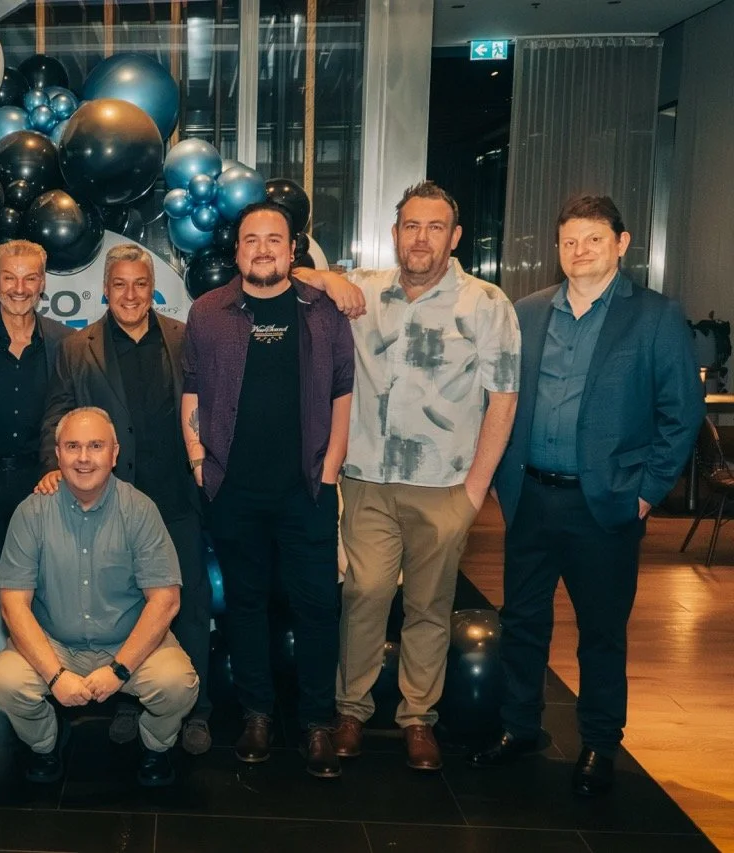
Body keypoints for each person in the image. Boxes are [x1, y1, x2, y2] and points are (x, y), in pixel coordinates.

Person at [468, 195, 703, 796]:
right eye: (569, 241)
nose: (579, 251)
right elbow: (499, 397)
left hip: (607, 505)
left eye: (593, 239)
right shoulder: (526, 313)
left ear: (621, 244)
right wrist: (500, 478)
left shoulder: (653, 316)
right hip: (530, 498)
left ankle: (599, 742)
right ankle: (519, 727)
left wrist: (647, 493)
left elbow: (681, 415)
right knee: (521, 624)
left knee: (600, 632)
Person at [319, 182, 521, 772]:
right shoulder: (365, 292)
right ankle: (351, 709)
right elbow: (293, 276)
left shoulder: (486, 304)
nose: (421, 238)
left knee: (430, 606)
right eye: (411, 226)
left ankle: (417, 719)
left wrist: (476, 490)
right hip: (366, 478)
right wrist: (329, 278)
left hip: (445, 485)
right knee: (364, 594)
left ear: (455, 237)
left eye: (435, 227)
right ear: (395, 233)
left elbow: (503, 398)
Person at [181, 201, 354, 778]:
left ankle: (316, 723)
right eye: (251, 239)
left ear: (291, 249)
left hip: (306, 489)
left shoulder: (324, 310)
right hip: (233, 491)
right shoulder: (207, 312)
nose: (262, 249)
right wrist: (198, 460)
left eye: (273, 239)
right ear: (237, 251)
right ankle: (257, 713)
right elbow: (191, 390)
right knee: (247, 605)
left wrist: (329, 474)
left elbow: (342, 394)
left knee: (317, 607)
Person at [37, 243, 213, 755]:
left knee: (189, 603)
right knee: (124, 607)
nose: (131, 294)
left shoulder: (184, 339)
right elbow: (57, 415)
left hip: (178, 500)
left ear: (151, 288)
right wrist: (53, 469)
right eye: (120, 284)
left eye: (140, 284)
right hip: (111, 507)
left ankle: (195, 711)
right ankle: (131, 703)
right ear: (105, 289)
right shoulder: (78, 347)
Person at [0, 407, 199, 787]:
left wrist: (119, 670)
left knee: (177, 683)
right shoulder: (31, 513)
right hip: (55, 644)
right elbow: (13, 603)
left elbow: (166, 600)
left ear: (114, 453)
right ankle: (45, 745)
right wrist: (55, 675)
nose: (84, 458)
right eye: (73, 447)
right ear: (59, 453)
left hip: (131, 642)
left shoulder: (140, 510)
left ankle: (156, 746)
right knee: (4, 681)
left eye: (96, 446)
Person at [0, 240, 72, 711]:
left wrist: (58, 470)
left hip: (43, 487)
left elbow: (73, 415)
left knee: (43, 597)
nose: (19, 288)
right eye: (10, 278)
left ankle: (44, 694)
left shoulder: (66, 341)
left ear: (42, 283)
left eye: (30, 278)